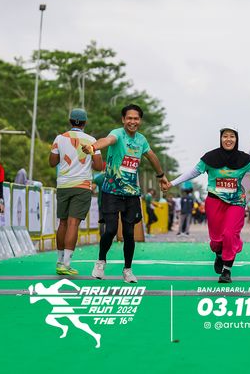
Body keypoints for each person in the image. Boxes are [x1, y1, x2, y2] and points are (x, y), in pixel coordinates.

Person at [167, 127, 250, 283]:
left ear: (236, 139)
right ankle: (219, 254)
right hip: (214, 202)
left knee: (230, 234)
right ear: (221, 139)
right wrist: (172, 183)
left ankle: (227, 270)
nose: (228, 139)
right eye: (225, 136)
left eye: (232, 136)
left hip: (236, 202)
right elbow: (193, 172)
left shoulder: (244, 160)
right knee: (216, 240)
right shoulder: (210, 158)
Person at [82, 104, 169, 283]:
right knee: (111, 229)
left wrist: (161, 176)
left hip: (132, 194)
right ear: (123, 119)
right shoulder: (117, 134)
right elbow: (106, 141)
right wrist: (93, 147)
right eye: (129, 118)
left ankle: (127, 270)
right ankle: (100, 262)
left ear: (140, 121)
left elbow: (152, 156)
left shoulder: (141, 140)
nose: (132, 121)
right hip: (111, 192)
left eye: (136, 118)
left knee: (129, 234)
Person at [49, 108, 104, 276]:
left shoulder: (60, 138)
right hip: (82, 186)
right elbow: (99, 166)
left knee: (63, 223)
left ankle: (59, 262)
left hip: (63, 185)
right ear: (85, 123)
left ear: (70, 121)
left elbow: (52, 162)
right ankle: (66, 264)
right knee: (73, 224)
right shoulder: (92, 141)